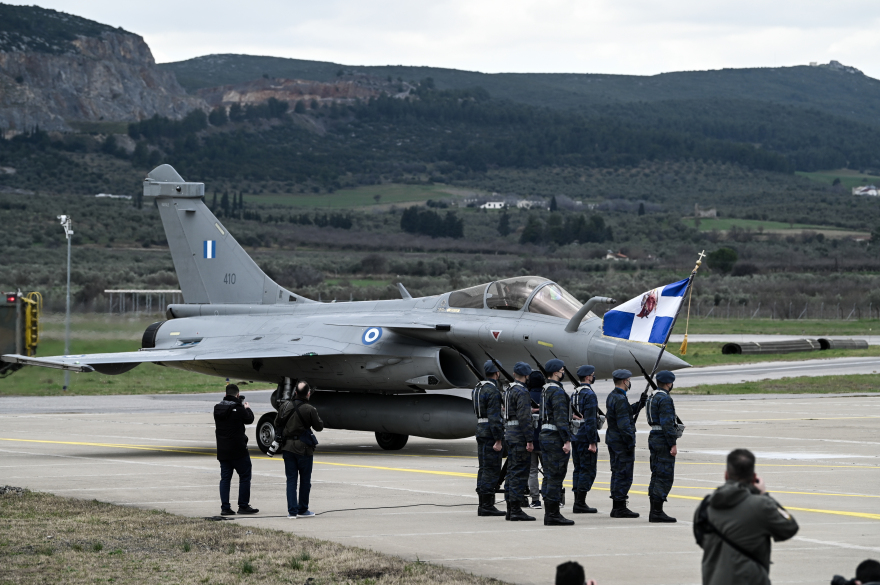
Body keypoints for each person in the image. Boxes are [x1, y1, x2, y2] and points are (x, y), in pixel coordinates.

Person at [695, 449, 799, 585]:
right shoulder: (761, 505)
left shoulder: (706, 505)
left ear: (726, 475)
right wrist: (764, 495)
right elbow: (790, 527)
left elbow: (701, 539)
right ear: (754, 477)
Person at [274, 381, 324, 519]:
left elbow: (277, 422)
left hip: (287, 447)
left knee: (291, 480)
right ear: (308, 393)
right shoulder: (309, 409)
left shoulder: (284, 406)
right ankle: (303, 509)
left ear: (295, 392)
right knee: (305, 481)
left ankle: (292, 511)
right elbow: (319, 426)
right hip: (304, 449)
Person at [213, 383, 258, 516]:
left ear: (226, 394)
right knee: (244, 476)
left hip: (223, 449)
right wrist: (247, 408)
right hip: (238, 449)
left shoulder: (217, 408)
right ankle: (243, 505)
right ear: (237, 395)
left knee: (225, 478)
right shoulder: (238, 408)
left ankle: (225, 507)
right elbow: (249, 419)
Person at [539, 358, 574, 526]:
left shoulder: (545, 390)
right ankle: (553, 514)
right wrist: (566, 440)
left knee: (548, 475)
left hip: (545, 435)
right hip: (554, 438)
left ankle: (550, 511)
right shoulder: (557, 392)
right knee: (555, 475)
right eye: (561, 370)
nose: (563, 372)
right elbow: (560, 418)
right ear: (555, 373)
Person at [503, 361, 536, 521]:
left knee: (511, 472)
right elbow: (524, 417)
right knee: (519, 473)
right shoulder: (522, 392)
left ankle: (511, 509)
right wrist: (529, 439)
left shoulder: (509, 390)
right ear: (526, 375)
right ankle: (516, 509)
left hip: (510, 433)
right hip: (519, 436)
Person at [605, 369, 639, 518]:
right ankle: (619, 506)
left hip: (613, 439)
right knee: (623, 473)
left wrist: (639, 405)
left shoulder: (613, 396)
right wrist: (630, 442)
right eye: (629, 380)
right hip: (621, 442)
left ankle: (617, 505)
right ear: (625, 381)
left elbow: (624, 412)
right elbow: (624, 424)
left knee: (617, 472)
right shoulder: (620, 399)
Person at [473, 359, 505, 517]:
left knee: (483, 468)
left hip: (480, 430)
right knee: (492, 469)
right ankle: (487, 505)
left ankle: (483, 503)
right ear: (497, 372)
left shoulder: (478, 388)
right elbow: (495, 418)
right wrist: (498, 439)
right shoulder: (492, 391)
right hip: (490, 433)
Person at [647, 369, 680, 523]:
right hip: (662, 439)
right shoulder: (664, 399)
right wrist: (672, 443)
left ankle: (654, 509)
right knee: (664, 475)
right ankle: (657, 512)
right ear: (668, 383)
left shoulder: (652, 396)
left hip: (654, 436)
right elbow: (667, 423)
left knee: (656, 473)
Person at [571, 365, 599, 514]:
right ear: (588, 377)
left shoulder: (574, 392)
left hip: (575, 435)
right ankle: (580, 502)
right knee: (587, 469)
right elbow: (590, 420)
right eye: (592, 375)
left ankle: (578, 500)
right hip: (585, 436)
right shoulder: (589, 394)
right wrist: (592, 441)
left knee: (578, 468)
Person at [526, 369, 546, 509]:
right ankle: (550, 498)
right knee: (549, 472)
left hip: (530, 440)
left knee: (532, 472)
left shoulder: (526, 396)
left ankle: (535, 500)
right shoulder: (548, 395)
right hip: (546, 440)